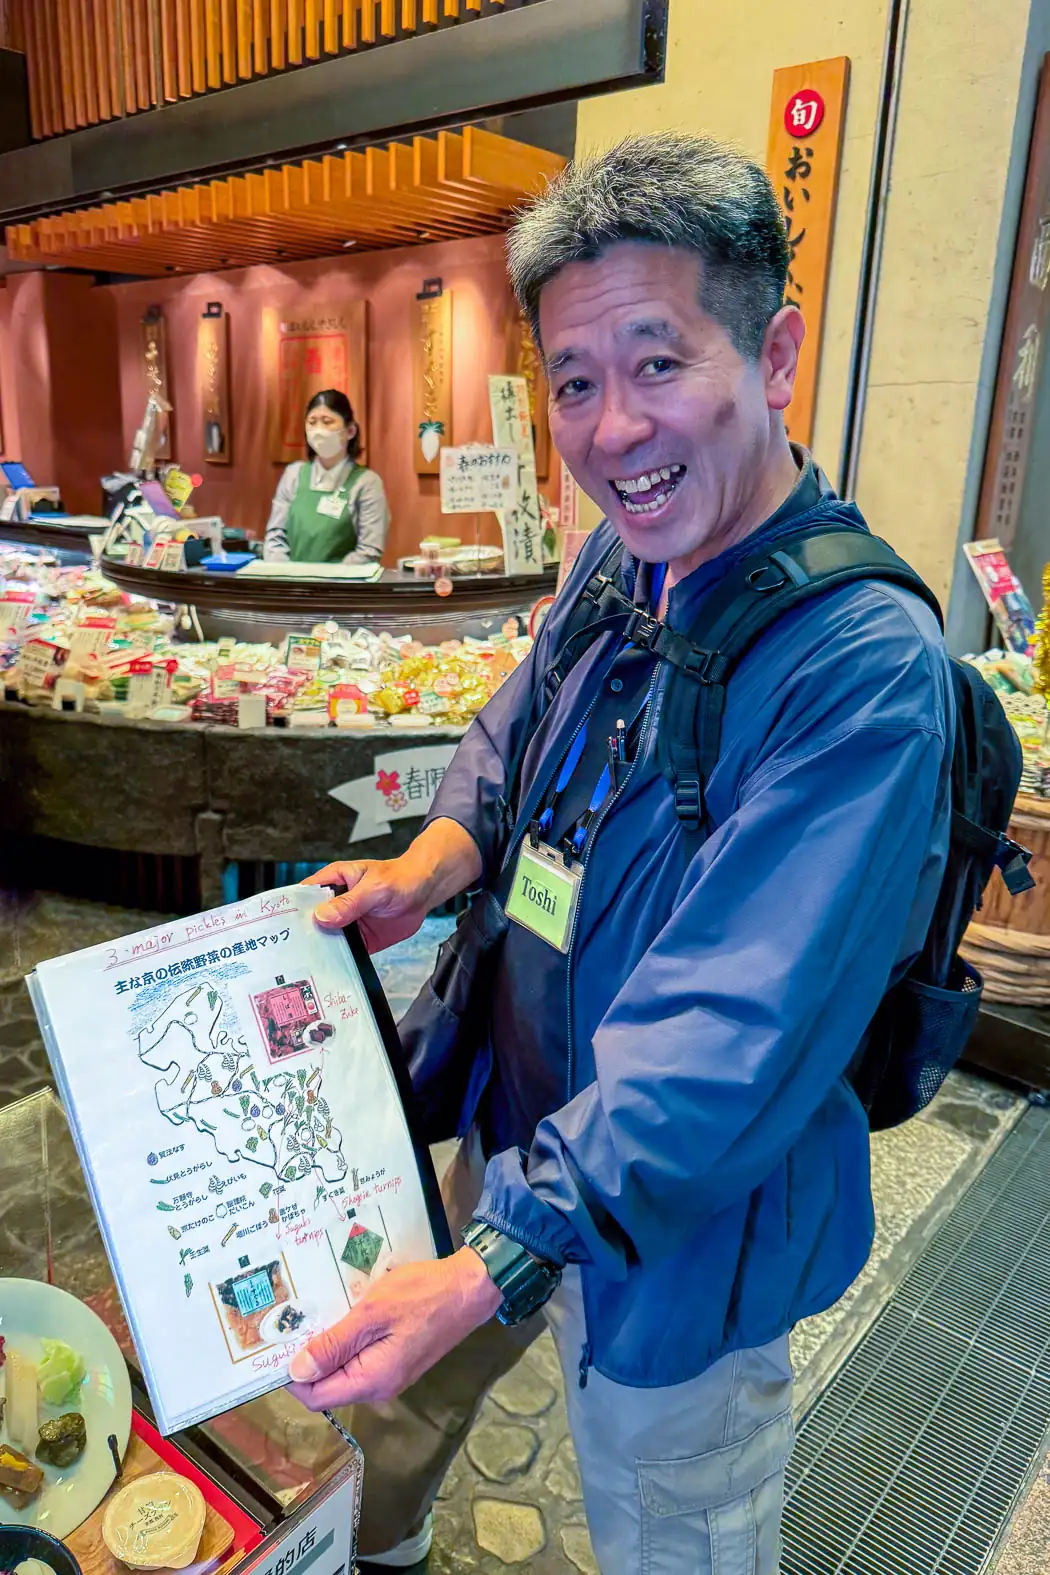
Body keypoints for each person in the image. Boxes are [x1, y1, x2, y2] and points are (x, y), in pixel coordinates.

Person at [287, 134, 954, 1574]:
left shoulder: (861, 669)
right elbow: (517, 723)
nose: (611, 430)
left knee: (673, 1516)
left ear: (773, 354)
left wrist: (502, 1254)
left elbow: (732, 1030)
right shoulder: (625, 552)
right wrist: (432, 864)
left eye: (658, 365)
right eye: (575, 383)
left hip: (681, 1217)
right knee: (402, 1408)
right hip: (518, 1117)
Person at [264, 389, 389, 565]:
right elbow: (275, 537)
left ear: (350, 430)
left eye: (327, 422)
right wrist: (286, 575)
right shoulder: (293, 475)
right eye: (312, 422)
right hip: (291, 587)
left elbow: (369, 550)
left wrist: (327, 579)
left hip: (340, 588)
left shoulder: (366, 483)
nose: (318, 430)